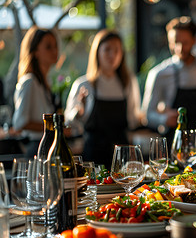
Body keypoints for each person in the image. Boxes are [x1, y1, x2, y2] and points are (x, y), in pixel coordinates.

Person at [142, 16, 196, 147]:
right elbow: (147, 115)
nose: (180, 48)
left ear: (195, 41)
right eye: (175, 42)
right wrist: (164, 119)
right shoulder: (159, 73)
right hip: (174, 143)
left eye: (185, 43)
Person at [65, 29, 143, 167]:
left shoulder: (128, 82)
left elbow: (133, 119)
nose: (112, 55)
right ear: (97, 52)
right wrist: (80, 111)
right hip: (93, 156)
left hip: (122, 156)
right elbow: (69, 123)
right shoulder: (84, 84)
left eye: (117, 50)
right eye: (107, 50)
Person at [12, 26, 58, 158]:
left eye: (55, 46)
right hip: (36, 150)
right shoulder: (29, 82)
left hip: (45, 146)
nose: (55, 51)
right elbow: (19, 123)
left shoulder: (43, 82)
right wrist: (56, 128)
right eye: (48, 47)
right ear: (35, 51)